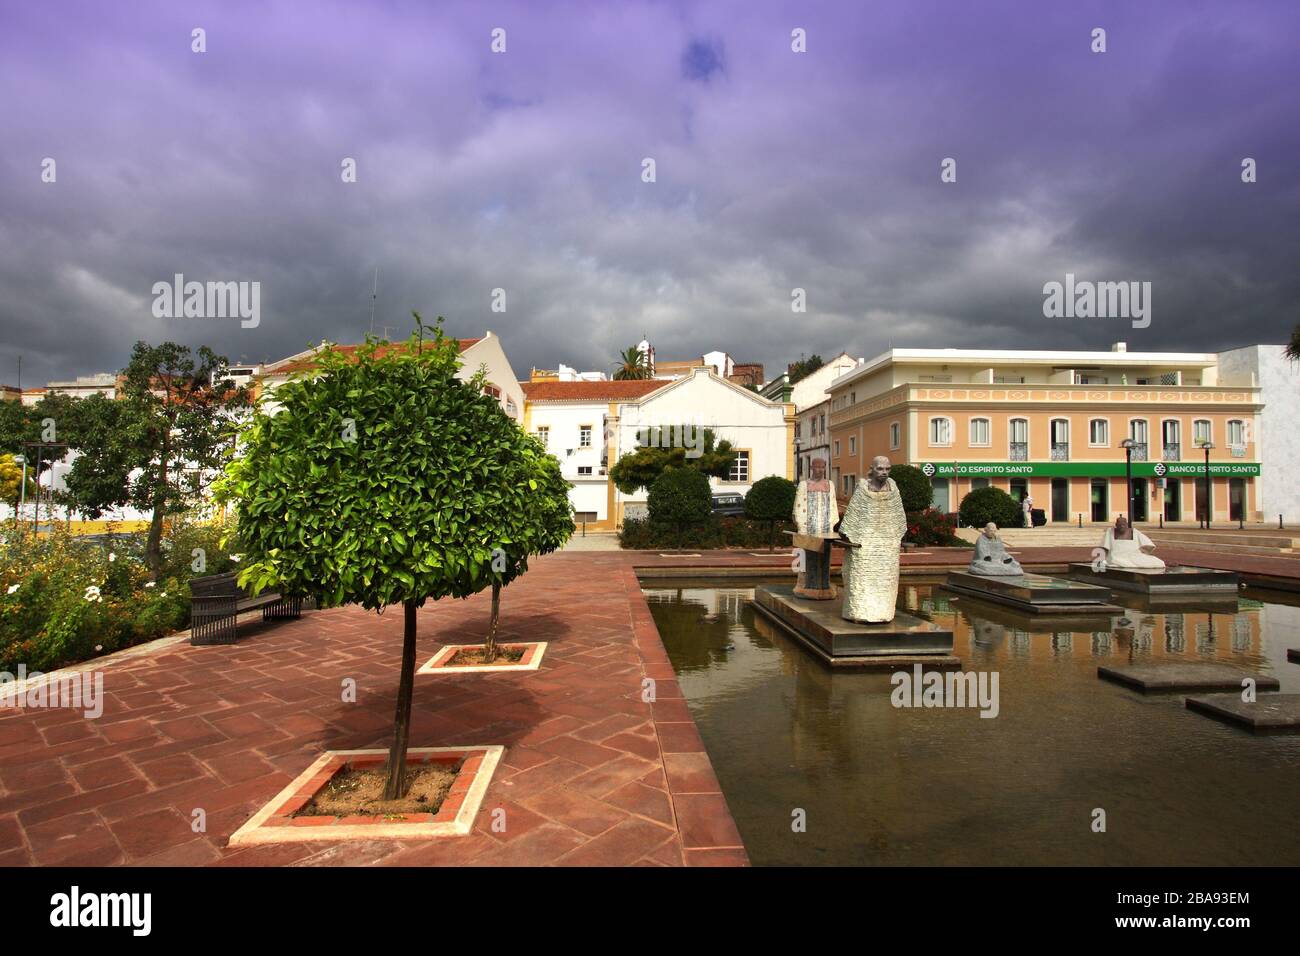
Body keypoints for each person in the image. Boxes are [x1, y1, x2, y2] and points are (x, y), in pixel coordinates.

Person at [837, 455, 907, 623]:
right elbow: (851, 519)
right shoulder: (862, 491)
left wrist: (894, 537)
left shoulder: (893, 491)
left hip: (886, 547)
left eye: (887, 469)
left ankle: (883, 612)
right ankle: (859, 612)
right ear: (872, 469)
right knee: (861, 579)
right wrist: (853, 537)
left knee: (884, 580)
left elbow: (899, 519)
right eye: (880, 468)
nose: (884, 472)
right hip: (865, 546)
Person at [792, 458, 838, 599]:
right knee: (804, 559)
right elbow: (797, 506)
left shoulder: (830, 485)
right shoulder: (804, 485)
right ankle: (803, 586)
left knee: (824, 559)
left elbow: (833, 505)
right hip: (808, 530)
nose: (820, 470)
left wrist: (831, 524)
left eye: (822, 467)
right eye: (817, 467)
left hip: (824, 529)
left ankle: (824, 586)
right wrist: (801, 526)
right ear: (812, 468)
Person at [1100, 514, 1166, 569]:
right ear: (1116, 525)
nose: (1121, 526)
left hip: (1134, 556)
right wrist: (1103, 559)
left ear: (1126, 524)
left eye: (1123, 524)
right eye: (1119, 525)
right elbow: (1105, 547)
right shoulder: (1110, 532)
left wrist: (1146, 552)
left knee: (1158, 562)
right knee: (1117, 561)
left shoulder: (1134, 532)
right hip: (1116, 557)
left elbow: (1148, 544)